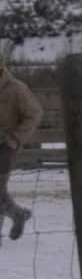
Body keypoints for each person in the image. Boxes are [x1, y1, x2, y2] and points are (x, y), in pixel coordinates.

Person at [1, 54, 43, 241]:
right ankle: (18, 215)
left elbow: (34, 114)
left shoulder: (16, 88)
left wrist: (15, 138)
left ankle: (17, 216)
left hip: (5, 146)